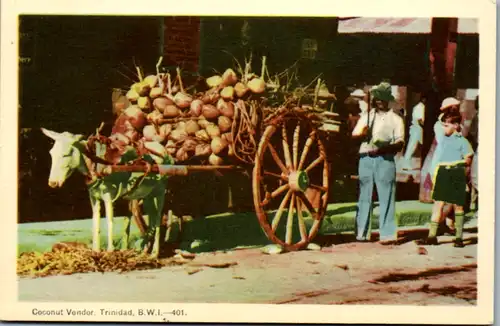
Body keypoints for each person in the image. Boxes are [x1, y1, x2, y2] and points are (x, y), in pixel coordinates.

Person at [351, 82, 405, 244]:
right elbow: (354, 136)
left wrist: (383, 149)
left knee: (387, 196)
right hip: (366, 158)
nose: (379, 101)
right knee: (364, 196)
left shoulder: (396, 119)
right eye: (377, 98)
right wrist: (363, 133)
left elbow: (400, 143)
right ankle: (362, 233)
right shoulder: (366, 116)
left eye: (382, 98)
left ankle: (387, 234)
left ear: (387, 100)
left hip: (385, 159)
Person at [417, 110, 474, 247]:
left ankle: (459, 238)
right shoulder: (443, 141)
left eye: (446, 125)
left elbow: (468, 160)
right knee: (438, 205)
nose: (444, 129)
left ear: (455, 125)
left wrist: (464, 178)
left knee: (458, 207)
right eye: (443, 125)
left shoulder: (463, 142)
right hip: (442, 173)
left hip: (456, 174)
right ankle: (432, 236)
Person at [402, 93, 427, 170]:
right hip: (417, 128)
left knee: (420, 146)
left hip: (420, 129)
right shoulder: (419, 107)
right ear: (423, 99)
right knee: (412, 146)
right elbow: (420, 121)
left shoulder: (423, 107)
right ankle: (405, 164)